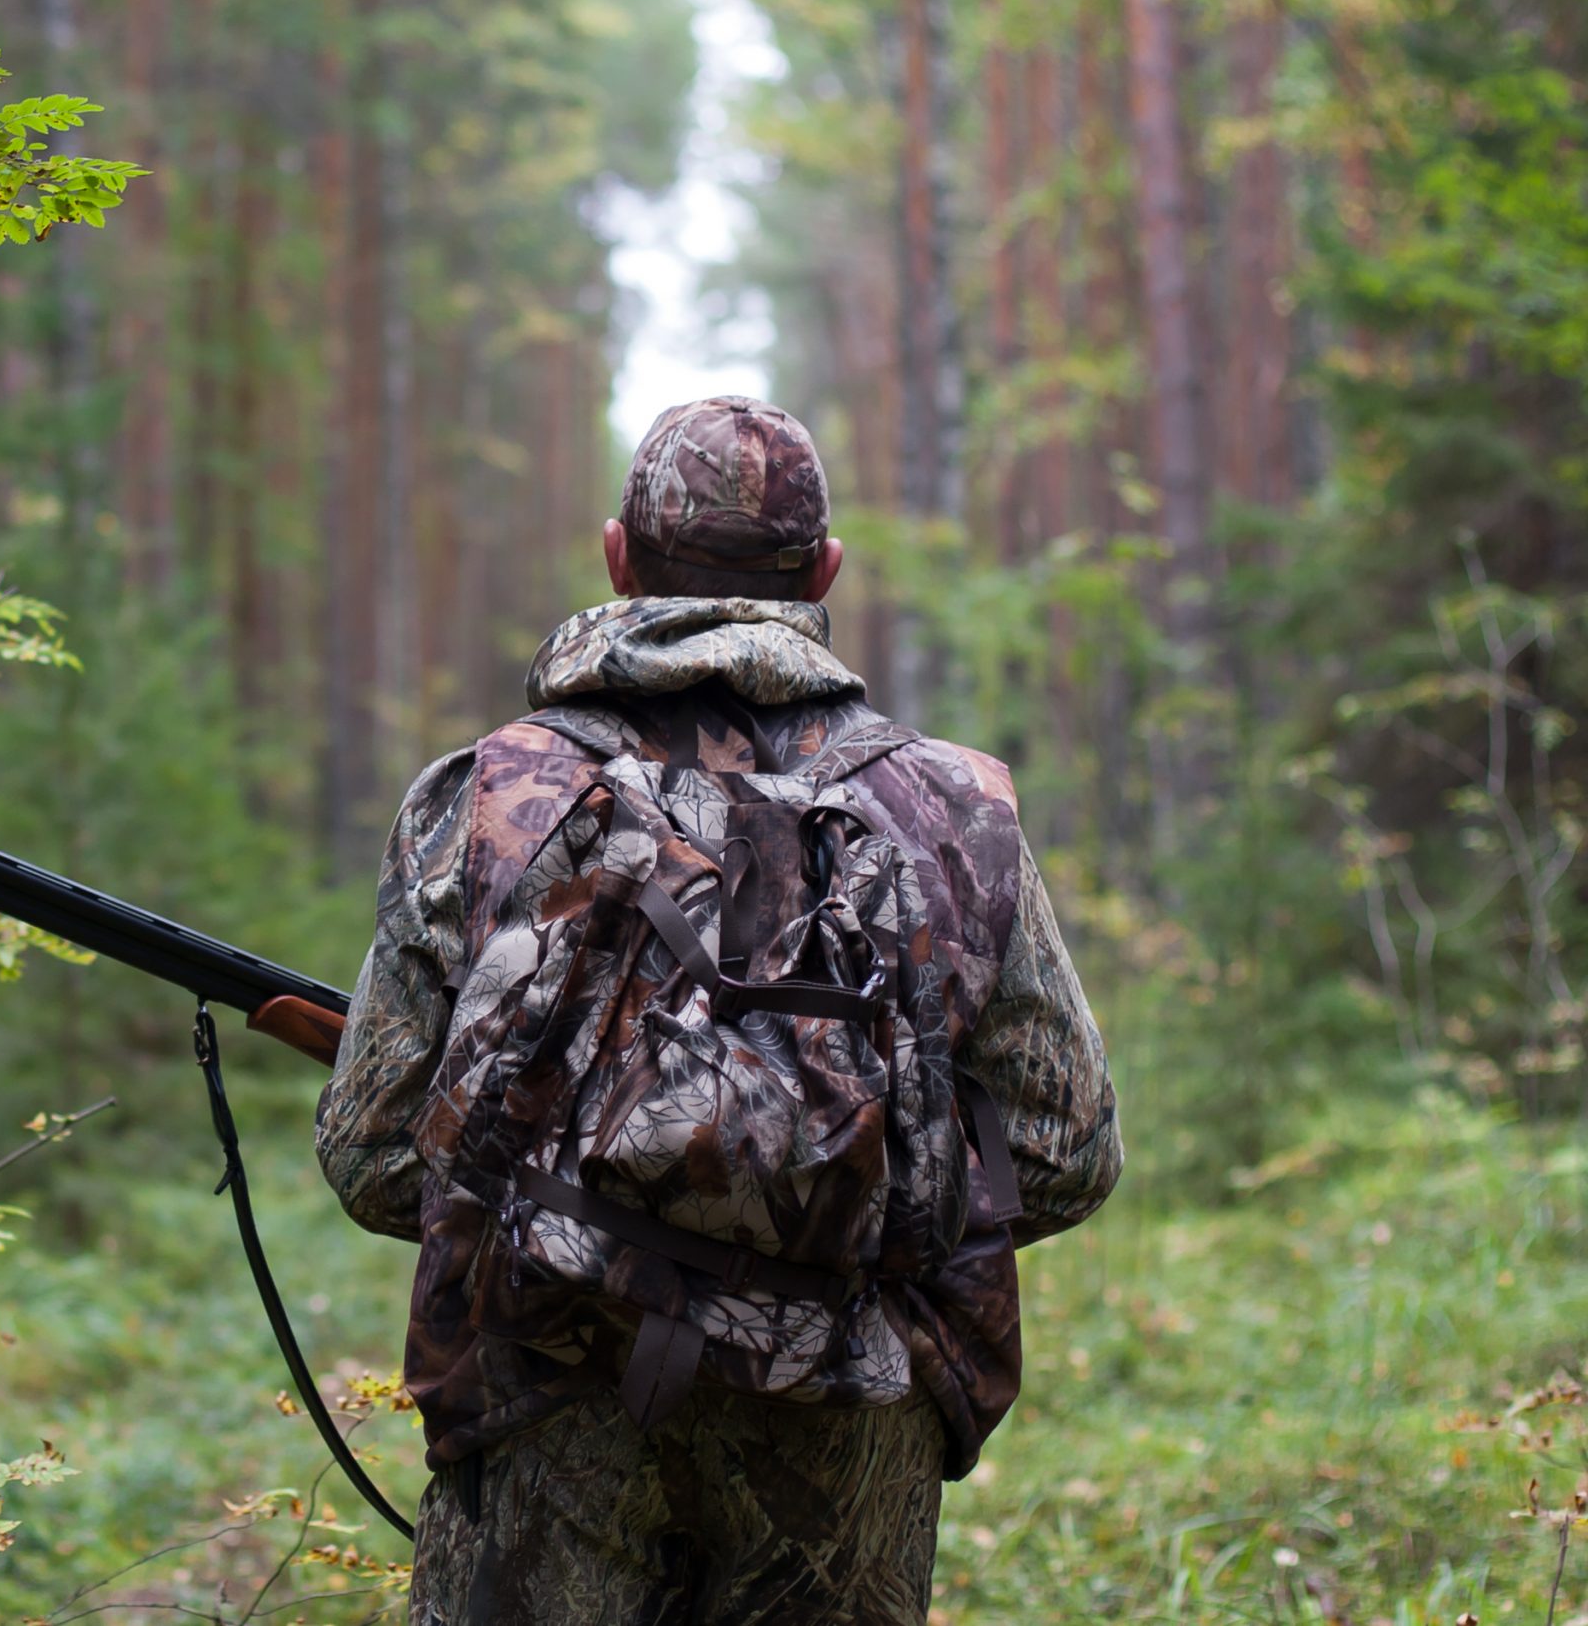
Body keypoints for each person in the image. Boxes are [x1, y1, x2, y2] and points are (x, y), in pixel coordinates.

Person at [314, 395, 1122, 1625]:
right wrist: (836, 1211)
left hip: (545, 1394)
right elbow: (1066, 1154)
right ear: (824, 572)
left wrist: (586, 1210)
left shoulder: (485, 798)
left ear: (618, 557)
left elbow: (373, 1157)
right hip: (853, 1411)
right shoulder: (955, 807)